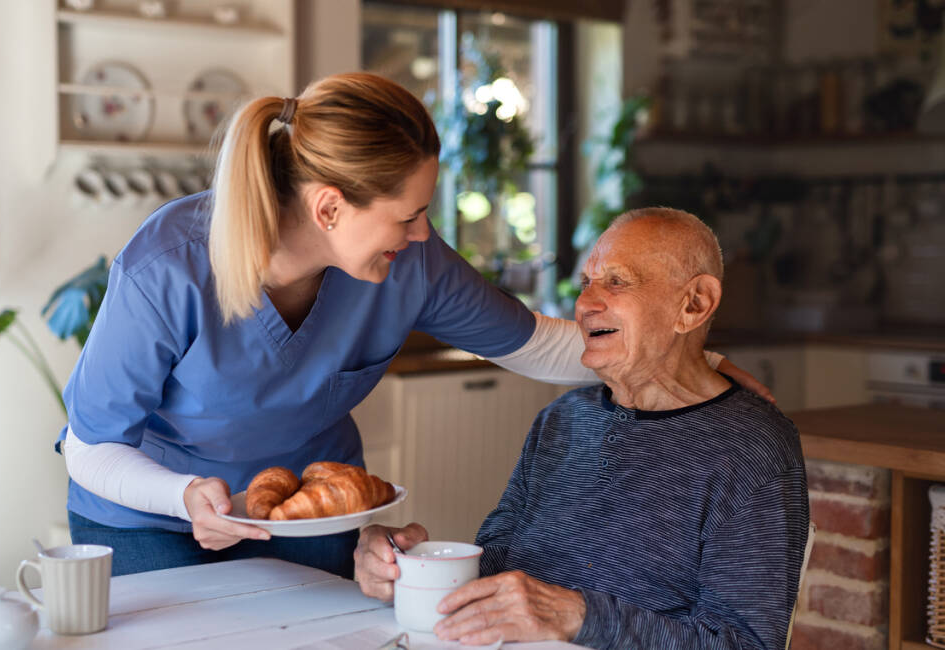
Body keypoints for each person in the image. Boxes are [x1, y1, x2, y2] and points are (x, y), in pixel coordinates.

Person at [59, 72, 771, 579]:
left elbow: (539, 345)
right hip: (153, 518)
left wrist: (683, 360)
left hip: (310, 512)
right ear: (330, 208)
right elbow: (91, 448)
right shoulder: (170, 266)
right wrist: (183, 497)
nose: (423, 233)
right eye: (407, 215)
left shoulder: (411, 263)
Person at [355, 208, 810, 649]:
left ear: (694, 305)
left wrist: (579, 617)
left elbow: (743, 642)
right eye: (587, 283)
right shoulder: (563, 420)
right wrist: (409, 571)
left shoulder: (751, 448)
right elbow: (498, 562)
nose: (586, 304)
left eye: (617, 282)